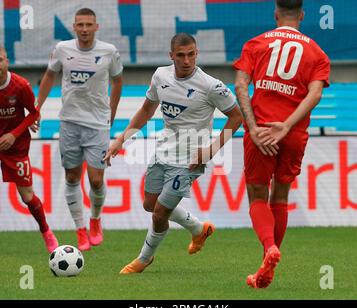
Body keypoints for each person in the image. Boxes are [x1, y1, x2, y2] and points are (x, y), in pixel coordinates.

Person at [104, 33, 243, 273]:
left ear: (197, 53)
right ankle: (199, 229)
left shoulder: (211, 86)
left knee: (159, 214)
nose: (187, 60)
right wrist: (121, 139)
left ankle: (144, 258)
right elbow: (146, 110)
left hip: (190, 160)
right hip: (163, 151)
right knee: (150, 204)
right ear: (172, 56)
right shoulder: (160, 76)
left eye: (191, 54)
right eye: (181, 55)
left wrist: (211, 150)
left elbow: (237, 116)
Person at [233, 0, 330, 288]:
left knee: (257, 193)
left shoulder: (256, 44)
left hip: (261, 131)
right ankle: (267, 269)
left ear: (276, 14)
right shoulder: (317, 52)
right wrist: (287, 126)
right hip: (293, 134)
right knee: (281, 195)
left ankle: (269, 249)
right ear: (301, 15)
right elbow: (315, 95)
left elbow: (240, 84)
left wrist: (253, 128)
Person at [35, 8, 123, 251]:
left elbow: (117, 81)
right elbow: (49, 76)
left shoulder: (109, 52)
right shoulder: (62, 49)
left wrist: (112, 112)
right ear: (74, 27)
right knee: (72, 177)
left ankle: (95, 220)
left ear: (96, 27)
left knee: (96, 180)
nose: (84, 29)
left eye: (88, 24)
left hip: (97, 124)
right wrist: (37, 107)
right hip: (70, 122)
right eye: (80, 25)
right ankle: (80, 229)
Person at [0, 46, 59, 253]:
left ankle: (46, 232)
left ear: (7, 61)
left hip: (15, 147)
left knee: (26, 196)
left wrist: (14, 134)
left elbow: (33, 114)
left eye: (0, 60)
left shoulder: (20, 85)